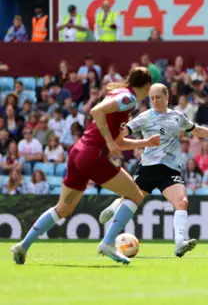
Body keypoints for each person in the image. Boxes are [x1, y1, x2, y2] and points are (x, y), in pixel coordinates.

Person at [9, 67, 157, 265]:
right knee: (135, 195)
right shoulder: (128, 98)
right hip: (92, 155)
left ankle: (23, 246)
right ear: (146, 86)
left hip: (78, 152)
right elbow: (96, 112)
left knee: (64, 208)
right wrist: (109, 142)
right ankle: (108, 242)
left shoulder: (120, 95)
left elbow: (118, 140)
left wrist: (145, 143)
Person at [99, 83, 208, 257]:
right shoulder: (145, 117)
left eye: (158, 97)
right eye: (151, 98)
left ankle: (180, 243)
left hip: (170, 170)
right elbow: (123, 132)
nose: (154, 101)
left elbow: (197, 130)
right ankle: (116, 206)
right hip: (148, 169)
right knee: (130, 201)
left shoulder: (177, 117)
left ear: (167, 97)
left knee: (181, 201)